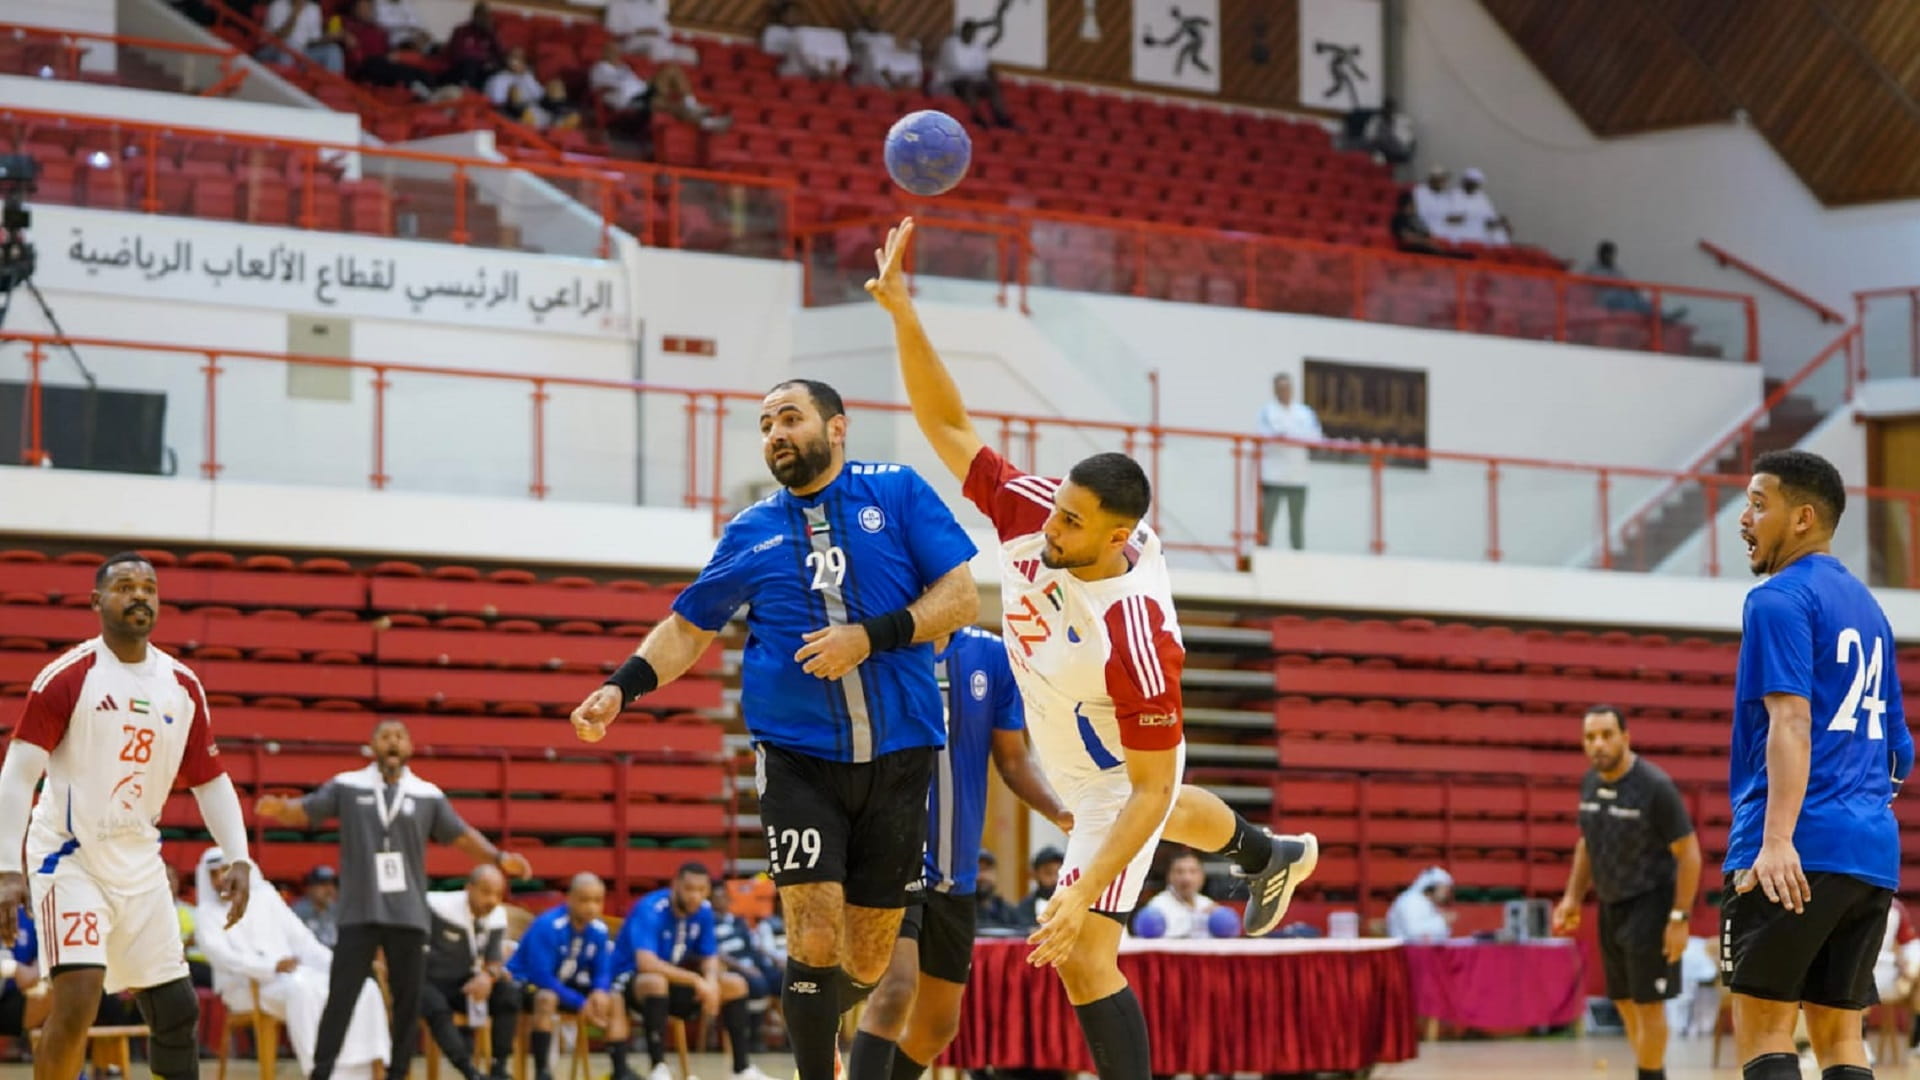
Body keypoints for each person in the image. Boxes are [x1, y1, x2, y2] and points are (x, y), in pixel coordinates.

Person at [866, 218, 1318, 1080]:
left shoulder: (1137, 637)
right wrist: (900, 311)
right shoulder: (1039, 510)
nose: (1051, 528)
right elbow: (949, 426)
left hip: (1118, 775)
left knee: (1081, 954)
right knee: (1172, 810)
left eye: (1073, 522)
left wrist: (1080, 899)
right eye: (1058, 508)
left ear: (1120, 540)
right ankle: (1271, 855)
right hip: (1070, 737)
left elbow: (1148, 794)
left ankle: (1258, 860)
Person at [569, 368, 983, 1080]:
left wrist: (871, 635)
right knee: (812, 929)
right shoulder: (751, 529)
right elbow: (687, 626)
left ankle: (817, 1023)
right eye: (765, 426)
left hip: (902, 750)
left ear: (836, 427)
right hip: (798, 758)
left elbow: (962, 598)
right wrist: (621, 686)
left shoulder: (899, 490)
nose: (776, 435)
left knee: (867, 955)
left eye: (789, 418)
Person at [0, 551, 254, 1080]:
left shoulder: (182, 685)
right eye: (125, 587)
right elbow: (19, 775)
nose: (139, 595)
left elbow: (210, 779)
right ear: (97, 602)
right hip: (69, 859)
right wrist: (7, 869)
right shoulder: (68, 676)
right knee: (78, 998)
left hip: (139, 863)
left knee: (177, 1010)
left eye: (149, 587)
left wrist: (239, 857)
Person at [1724, 449, 1911, 1080]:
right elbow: (1899, 753)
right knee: (1839, 1038)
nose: (1744, 518)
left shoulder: (1777, 599)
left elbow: (1792, 721)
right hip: (1871, 853)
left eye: (1757, 503)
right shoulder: (1872, 613)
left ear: (1802, 518)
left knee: (1764, 1032)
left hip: (1794, 849)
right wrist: (1855, 811)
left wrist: (1777, 838)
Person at [255, 719, 532, 1080]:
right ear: (372, 745)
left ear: (409, 748)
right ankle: (320, 1073)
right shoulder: (348, 785)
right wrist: (282, 809)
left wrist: (497, 859)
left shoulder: (427, 794)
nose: (393, 743)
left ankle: (397, 1074)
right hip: (359, 912)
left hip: (409, 916)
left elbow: (461, 836)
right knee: (342, 997)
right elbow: (307, 809)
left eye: (399, 737)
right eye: (385, 736)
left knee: (407, 1004)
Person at [859, 623, 1070, 1080]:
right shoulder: (881, 645)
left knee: (938, 1026)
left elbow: (1012, 758)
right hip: (892, 859)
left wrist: (1061, 812)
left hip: (956, 872)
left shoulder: (992, 655)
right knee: (896, 991)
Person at [1550, 705, 1701, 1080]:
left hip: (1652, 904)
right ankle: (1651, 1071)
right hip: (1610, 905)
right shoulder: (1590, 783)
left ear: (1625, 737)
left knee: (1649, 1005)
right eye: (1590, 737)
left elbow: (1690, 855)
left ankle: (1649, 1075)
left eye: (1606, 735)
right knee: (1623, 1000)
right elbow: (1588, 843)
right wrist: (1571, 896)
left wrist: (1679, 918)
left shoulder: (1655, 787)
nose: (1597, 744)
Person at [194, 850, 391, 1080]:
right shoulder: (206, 915)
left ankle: (366, 1070)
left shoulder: (266, 898)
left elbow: (304, 942)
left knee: (363, 987)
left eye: (224, 871)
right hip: (246, 987)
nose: (219, 880)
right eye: (213, 875)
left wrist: (343, 969)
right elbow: (223, 957)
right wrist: (270, 966)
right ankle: (321, 1072)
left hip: (292, 976)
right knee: (302, 991)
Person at [613, 863, 770, 1080]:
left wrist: (712, 982)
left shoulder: (703, 911)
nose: (695, 896)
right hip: (630, 987)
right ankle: (658, 1069)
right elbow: (646, 963)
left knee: (735, 984)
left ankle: (741, 1069)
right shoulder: (650, 908)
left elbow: (710, 956)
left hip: (673, 983)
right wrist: (696, 980)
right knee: (655, 981)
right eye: (689, 889)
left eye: (701, 890)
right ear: (675, 885)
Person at [507, 875, 621, 1080]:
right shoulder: (548, 925)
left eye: (597, 901)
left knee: (615, 998)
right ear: (569, 899)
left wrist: (599, 991)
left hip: (565, 984)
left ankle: (620, 1070)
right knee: (546, 998)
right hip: (525, 983)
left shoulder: (599, 929)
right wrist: (580, 1003)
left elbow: (603, 969)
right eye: (584, 900)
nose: (592, 907)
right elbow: (540, 976)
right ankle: (543, 1072)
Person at [420, 866, 517, 1080]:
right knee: (432, 1002)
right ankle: (469, 1071)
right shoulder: (437, 906)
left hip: (465, 985)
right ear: (469, 888)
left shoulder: (497, 914)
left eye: (498, 894)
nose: (492, 899)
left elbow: (493, 961)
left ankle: (499, 1067)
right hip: (431, 981)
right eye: (486, 892)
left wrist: (488, 976)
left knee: (508, 992)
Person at [1254, 373, 1322, 551]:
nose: (1285, 391)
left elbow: (1315, 437)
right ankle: (1263, 554)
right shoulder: (1267, 412)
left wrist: (1288, 436)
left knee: (1296, 523)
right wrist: (1286, 436)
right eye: (1281, 388)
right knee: (1266, 522)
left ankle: (1298, 558)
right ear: (1275, 390)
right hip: (1273, 477)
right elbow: (1264, 435)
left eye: (1288, 387)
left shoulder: (1305, 413)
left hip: (1298, 477)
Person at [709, 886, 777, 1049]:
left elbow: (752, 947)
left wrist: (762, 963)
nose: (722, 901)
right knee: (757, 984)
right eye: (717, 898)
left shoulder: (738, 921)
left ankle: (786, 1038)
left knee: (779, 979)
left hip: (750, 962)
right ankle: (753, 1036)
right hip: (730, 967)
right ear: (711, 901)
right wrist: (743, 967)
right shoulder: (708, 922)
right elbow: (713, 953)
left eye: (724, 897)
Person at [931, 21, 1012, 129]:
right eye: (968, 32)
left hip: (974, 80)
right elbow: (957, 68)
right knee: (968, 86)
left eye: (973, 32)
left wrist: (986, 75)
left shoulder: (977, 46)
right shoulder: (951, 44)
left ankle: (1002, 119)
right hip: (951, 81)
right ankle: (977, 116)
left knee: (992, 87)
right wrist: (976, 74)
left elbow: (983, 66)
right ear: (962, 31)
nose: (970, 35)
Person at [1140, 850, 1215, 939]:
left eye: (1193, 871)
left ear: (1202, 876)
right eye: (1180, 872)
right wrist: (1198, 920)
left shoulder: (1207, 904)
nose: (1187, 878)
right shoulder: (1157, 907)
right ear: (1169, 876)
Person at [0, 906, 48, 1043]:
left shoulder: (33, 912)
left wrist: (38, 970)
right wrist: (13, 968)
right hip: (11, 978)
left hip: (17, 995)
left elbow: (47, 953)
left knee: (54, 988)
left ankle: (26, 1044)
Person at [167, 862, 212, 989]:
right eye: (164, 877)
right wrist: (186, 944)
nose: (170, 882)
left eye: (172, 877)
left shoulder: (193, 912)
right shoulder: (147, 914)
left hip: (198, 964)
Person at [1385, 867, 1453, 941]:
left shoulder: (1427, 903)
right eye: (1443, 889)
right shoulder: (1410, 901)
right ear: (1432, 887)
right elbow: (1412, 932)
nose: (1446, 894)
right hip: (1405, 950)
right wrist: (1441, 921)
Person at [1455, 168, 1511, 245]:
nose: (1473, 185)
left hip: (1481, 230)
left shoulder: (1482, 197)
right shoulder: (1455, 195)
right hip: (1462, 230)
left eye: (1476, 183)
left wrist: (1499, 222)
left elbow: (1489, 218)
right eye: (1471, 182)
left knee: (1499, 234)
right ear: (1464, 182)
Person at [292, 866, 341, 949]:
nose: (329, 890)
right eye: (323, 885)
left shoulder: (337, 911)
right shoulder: (297, 914)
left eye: (333, 885)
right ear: (310, 888)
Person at [1015, 848, 1064, 929]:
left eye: (1059, 873)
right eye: (1048, 873)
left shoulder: (1077, 905)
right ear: (1035, 874)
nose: (1055, 878)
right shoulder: (1024, 908)